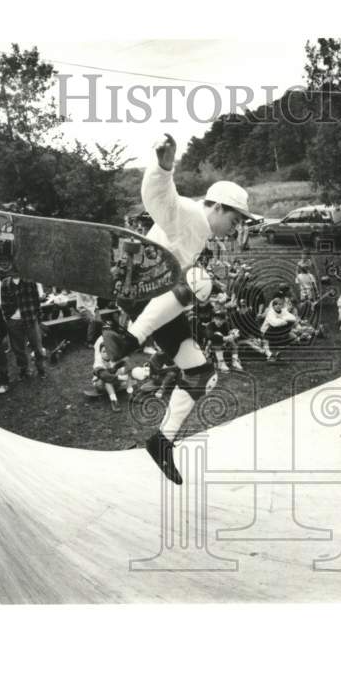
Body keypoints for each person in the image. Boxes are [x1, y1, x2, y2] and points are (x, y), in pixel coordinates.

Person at [102, 133, 259, 484]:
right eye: (234, 221)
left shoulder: (201, 231)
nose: (235, 230)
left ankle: (162, 442)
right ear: (217, 207)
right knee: (199, 280)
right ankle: (129, 340)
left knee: (202, 374)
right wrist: (163, 166)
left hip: (161, 302)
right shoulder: (188, 213)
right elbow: (159, 198)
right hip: (142, 290)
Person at [0, 273, 46, 380]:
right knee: (18, 349)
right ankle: (25, 370)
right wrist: (9, 318)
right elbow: (3, 303)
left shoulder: (30, 280)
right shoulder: (5, 283)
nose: (14, 270)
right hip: (14, 322)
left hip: (30, 319)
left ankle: (41, 369)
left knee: (37, 347)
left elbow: (36, 301)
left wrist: (38, 318)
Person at [205, 305, 243, 372]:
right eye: (217, 319)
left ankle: (234, 361)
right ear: (214, 319)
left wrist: (234, 334)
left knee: (232, 341)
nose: (219, 321)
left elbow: (234, 331)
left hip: (223, 344)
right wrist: (224, 338)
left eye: (221, 320)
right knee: (217, 335)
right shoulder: (210, 325)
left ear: (224, 320)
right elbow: (210, 336)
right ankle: (221, 363)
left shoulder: (225, 325)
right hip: (210, 346)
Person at [259, 295, 296, 361]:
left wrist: (283, 319)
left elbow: (293, 318)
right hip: (265, 332)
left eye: (280, 304)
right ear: (273, 306)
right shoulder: (270, 312)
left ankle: (278, 348)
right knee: (276, 325)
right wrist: (285, 321)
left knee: (292, 336)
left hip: (276, 331)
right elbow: (275, 324)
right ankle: (270, 352)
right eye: (276, 304)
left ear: (282, 306)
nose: (278, 306)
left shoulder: (283, 311)